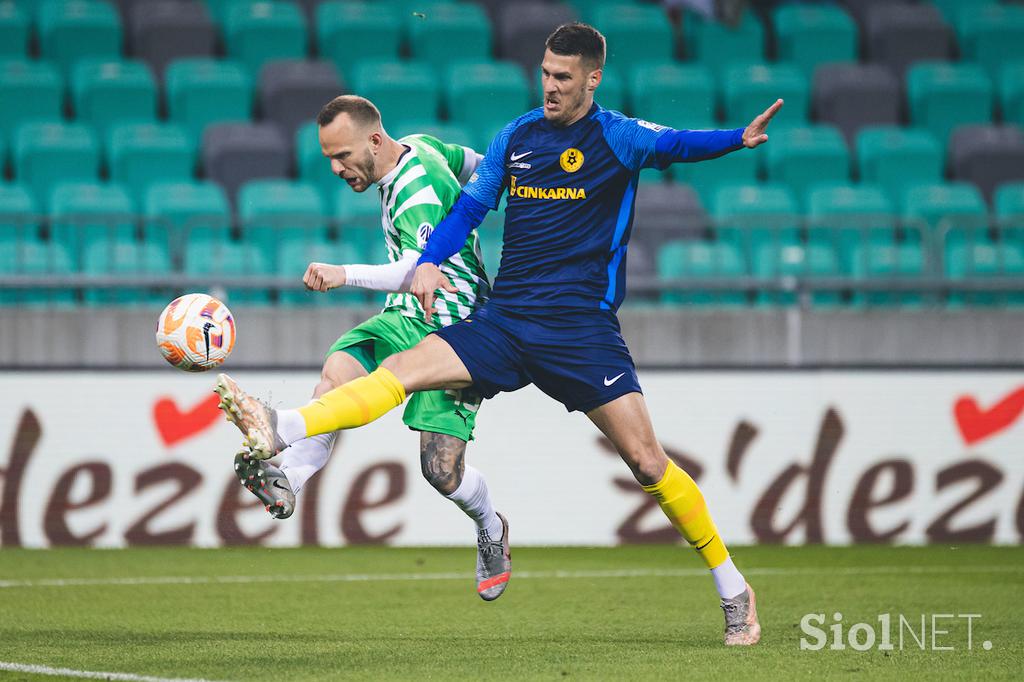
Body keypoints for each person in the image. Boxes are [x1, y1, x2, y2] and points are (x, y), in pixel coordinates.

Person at [215, 24, 781, 645]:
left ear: (592, 78)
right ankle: (284, 426)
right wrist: (431, 258)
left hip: (580, 329)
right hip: (505, 319)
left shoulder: (615, 135)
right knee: (401, 371)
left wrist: (737, 139)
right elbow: (469, 207)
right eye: (545, 73)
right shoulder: (517, 137)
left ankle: (733, 587)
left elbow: (676, 143)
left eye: (564, 77)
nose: (551, 87)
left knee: (648, 462)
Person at [216, 94, 512, 602]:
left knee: (441, 472)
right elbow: (473, 164)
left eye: (343, 155)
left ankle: (491, 526)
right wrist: (510, 181)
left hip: (455, 331)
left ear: (375, 140)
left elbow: (418, 270)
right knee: (337, 373)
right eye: (328, 157)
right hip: (405, 319)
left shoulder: (416, 189)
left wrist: (342, 273)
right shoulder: (420, 145)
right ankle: (289, 477)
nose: (335, 168)